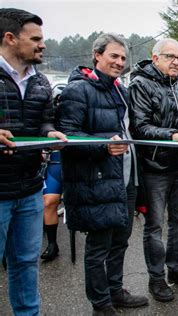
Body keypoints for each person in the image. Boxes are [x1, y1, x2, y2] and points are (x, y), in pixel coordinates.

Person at [56, 33, 148, 315]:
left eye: (123, 57)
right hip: (97, 179)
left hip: (126, 178)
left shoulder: (121, 89)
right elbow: (67, 137)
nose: (120, 62)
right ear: (97, 56)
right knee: (98, 247)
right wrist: (104, 147)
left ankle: (115, 290)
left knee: (120, 240)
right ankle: (100, 302)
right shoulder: (78, 90)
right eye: (113, 56)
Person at [0, 8, 67, 315]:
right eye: (36, 39)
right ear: (10, 38)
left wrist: (51, 132)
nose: (43, 45)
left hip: (29, 190)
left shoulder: (40, 82)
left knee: (26, 263)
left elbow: (45, 120)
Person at [128, 38, 178, 302]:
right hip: (154, 167)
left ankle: (176, 267)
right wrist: (172, 135)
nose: (176, 62)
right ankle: (156, 278)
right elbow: (140, 127)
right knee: (155, 225)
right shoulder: (140, 84)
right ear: (155, 57)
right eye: (170, 56)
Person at [41, 85, 65, 262]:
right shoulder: (47, 118)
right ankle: (52, 243)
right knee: (49, 202)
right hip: (55, 163)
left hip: (76, 165)